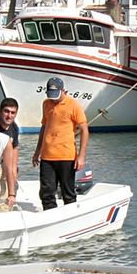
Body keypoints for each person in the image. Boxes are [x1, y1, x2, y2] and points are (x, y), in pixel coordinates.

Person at [31, 76, 88, 210]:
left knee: (67, 192)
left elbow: (84, 130)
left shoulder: (74, 105)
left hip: (66, 156)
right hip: (47, 157)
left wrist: (81, 157)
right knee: (46, 192)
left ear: (64, 91)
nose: (54, 98)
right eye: (51, 94)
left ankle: (71, 217)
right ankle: (50, 216)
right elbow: (44, 127)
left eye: (56, 94)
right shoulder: (46, 104)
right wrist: (37, 151)